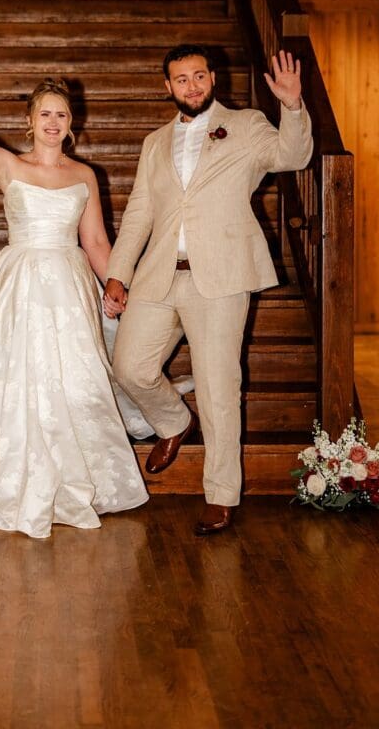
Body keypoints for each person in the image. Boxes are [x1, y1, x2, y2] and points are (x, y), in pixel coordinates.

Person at [0, 50, 148, 539]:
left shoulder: (84, 176)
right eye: (45, 114)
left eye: (61, 114)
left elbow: (97, 242)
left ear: (70, 122)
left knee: (75, 377)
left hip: (69, 281)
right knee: (23, 376)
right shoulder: (8, 167)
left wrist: (120, 286)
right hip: (21, 283)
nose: (53, 122)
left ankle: (86, 478)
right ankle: (21, 477)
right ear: (30, 121)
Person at [103, 46, 313, 536]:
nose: (192, 86)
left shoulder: (246, 124)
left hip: (220, 278)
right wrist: (119, 272)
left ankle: (221, 495)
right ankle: (174, 422)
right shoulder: (155, 142)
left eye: (199, 76)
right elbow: (138, 213)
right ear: (168, 87)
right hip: (159, 274)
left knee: (219, 388)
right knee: (129, 365)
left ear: (212, 78)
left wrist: (293, 106)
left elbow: (292, 154)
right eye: (181, 79)